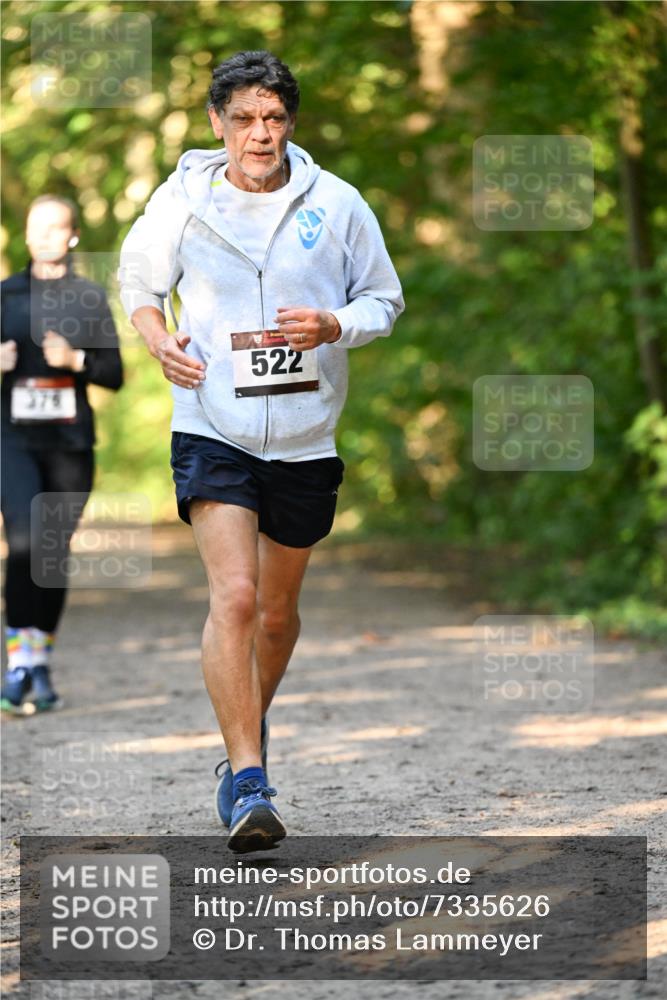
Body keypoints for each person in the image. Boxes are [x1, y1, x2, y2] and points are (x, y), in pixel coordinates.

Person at [118, 50, 404, 852]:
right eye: (242, 119)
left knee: (276, 615)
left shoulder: (338, 204)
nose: (259, 134)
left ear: (290, 123)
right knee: (235, 597)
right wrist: (155, 340)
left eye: (273, 118)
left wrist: (334, 324)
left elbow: (384, 298)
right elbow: (138, 280)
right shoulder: (182, 201)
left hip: (308, 435)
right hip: (212, 424)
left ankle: (243, 733)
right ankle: (249, 781)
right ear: (217, 123)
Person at [1, 195, 124, 715]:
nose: (44, 237)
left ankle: (38, 660)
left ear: (72, 236)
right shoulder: (5, 295)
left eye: (55, 229)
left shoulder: (88, 297)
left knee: (51, 553)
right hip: (13, 441)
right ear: (26, 234)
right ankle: (17, 664)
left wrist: (77, 360)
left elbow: (114, 374)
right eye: (36, 228)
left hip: (70, 444)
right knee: (26, 542)